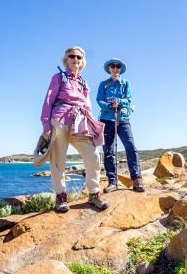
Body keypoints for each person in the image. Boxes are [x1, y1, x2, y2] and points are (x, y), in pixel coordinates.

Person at [40, 46, 110, 213]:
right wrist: (46, 125)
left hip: (80, 123)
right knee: (58, 161)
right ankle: (61, 197)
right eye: (72, 56)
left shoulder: (84, 83)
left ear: (82, 61)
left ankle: (94, 194)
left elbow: (88, 106)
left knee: (93, 156)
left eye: (79, 57)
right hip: (59, 120)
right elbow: (48, 100)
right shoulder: (58, 78)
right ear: (66, 59)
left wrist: (91, 124)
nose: (75, 59)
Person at [97, 58, 144, 193]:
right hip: (107, 119)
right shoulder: (103, 84)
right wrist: (109, 105)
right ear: (109, 69)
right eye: (113, 66)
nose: (115, 68)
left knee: (131, 146)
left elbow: (128, 99)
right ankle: (112, 181)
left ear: (120, 69)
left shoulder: (126, 83)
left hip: (123, 118)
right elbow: (99, 100)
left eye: (118, 66)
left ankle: (136, 179)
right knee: (108, 150)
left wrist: (118, 101)